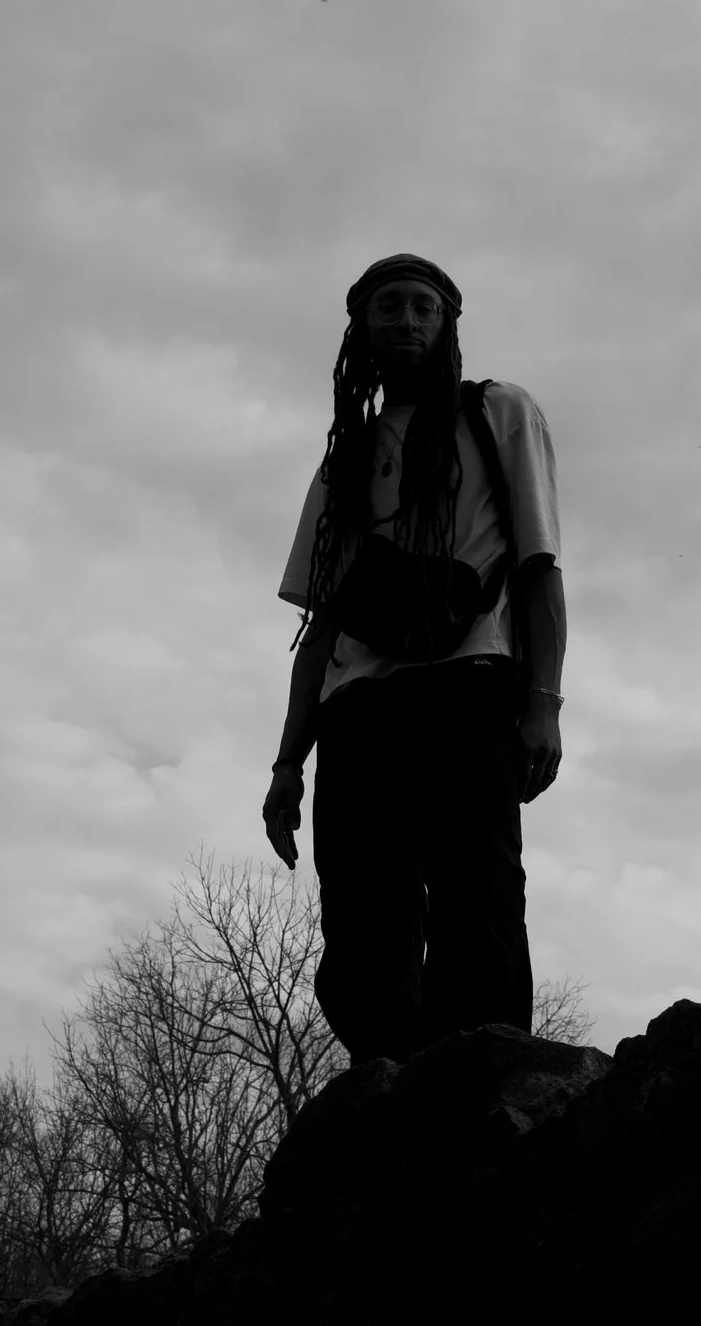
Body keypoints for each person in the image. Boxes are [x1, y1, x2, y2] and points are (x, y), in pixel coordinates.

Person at [264, 253, 566, 1065]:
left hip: (470, 680)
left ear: (449, 324)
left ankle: (487, 1072)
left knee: (480, 890)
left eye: (423, 307)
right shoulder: (346, 461)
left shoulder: (497, 413)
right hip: (361, 704)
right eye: (387, 307)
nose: (405, 321)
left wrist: (543, 699)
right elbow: (320, 630)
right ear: (360, 329)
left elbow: (539, 566)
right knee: (362, 906)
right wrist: (288, 763)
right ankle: (382, 1083)